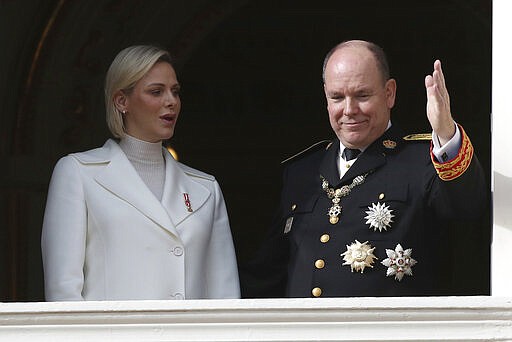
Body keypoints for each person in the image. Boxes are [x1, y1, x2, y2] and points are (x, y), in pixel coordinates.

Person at [241, 40, 487, 298]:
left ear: (389, 93)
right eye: (337, 97)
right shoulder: (302, 171)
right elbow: (268, 273)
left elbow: (468, 206)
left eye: (362, 95)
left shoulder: (423, 161)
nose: (349, 110)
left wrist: (446, 133)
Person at [41, 45, 240, 301]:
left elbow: (224, 296)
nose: (171, 101)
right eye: (156, 91)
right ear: (121, 101)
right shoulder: (78, 173)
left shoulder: (205, 188)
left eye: (175, 92)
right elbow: (63, 292)